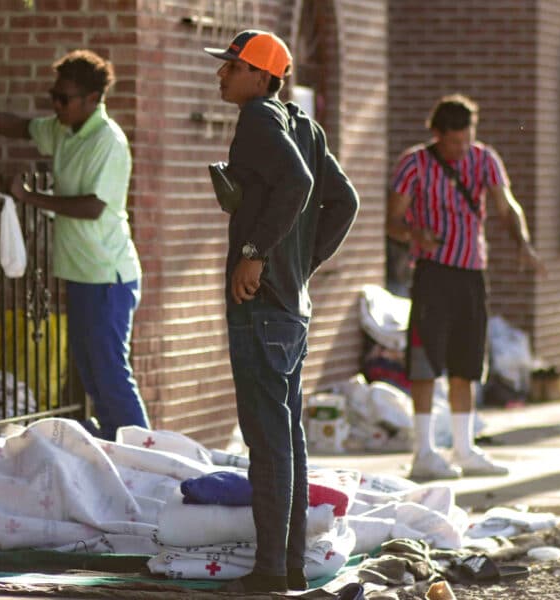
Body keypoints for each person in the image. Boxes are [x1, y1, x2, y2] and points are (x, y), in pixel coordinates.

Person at [204, 30, 359, 593]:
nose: (222, 75)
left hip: (262, 306)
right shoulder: (306, 126)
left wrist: (256, 255)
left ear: (264, 76)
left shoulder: (259, 120)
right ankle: (288, 566)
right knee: (287, 440)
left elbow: (298, 182)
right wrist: (302, 265)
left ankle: (269, 572)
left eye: (234, 67)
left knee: (268, 442)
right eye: (224, 65)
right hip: (290, 307)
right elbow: (343, 200)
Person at [0, 49, 148, 441]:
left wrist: (28, 196)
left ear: (92, 99)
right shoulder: (64, 129)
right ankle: (120, 451)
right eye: (54, 95)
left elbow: (92, 206)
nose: (55, 104)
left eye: (63, 99)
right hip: (80, 273)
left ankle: (145, 452)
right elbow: (20, 127)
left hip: (107, 274)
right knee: (90, 372)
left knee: (111, 373)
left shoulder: (108, 141)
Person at [387, 94, 545, 482]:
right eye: (453, 142)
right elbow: (391, 219)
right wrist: (413, 234)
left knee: (467, 362)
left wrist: (522, 244)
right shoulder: (415, 163)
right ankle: (423, 452)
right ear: (437, 134)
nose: (460, 149)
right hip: (432, 272)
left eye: (466, 140)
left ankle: (464, 448)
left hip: (472, 272)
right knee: (425, 362)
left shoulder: (484, 159)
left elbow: (506, 207)